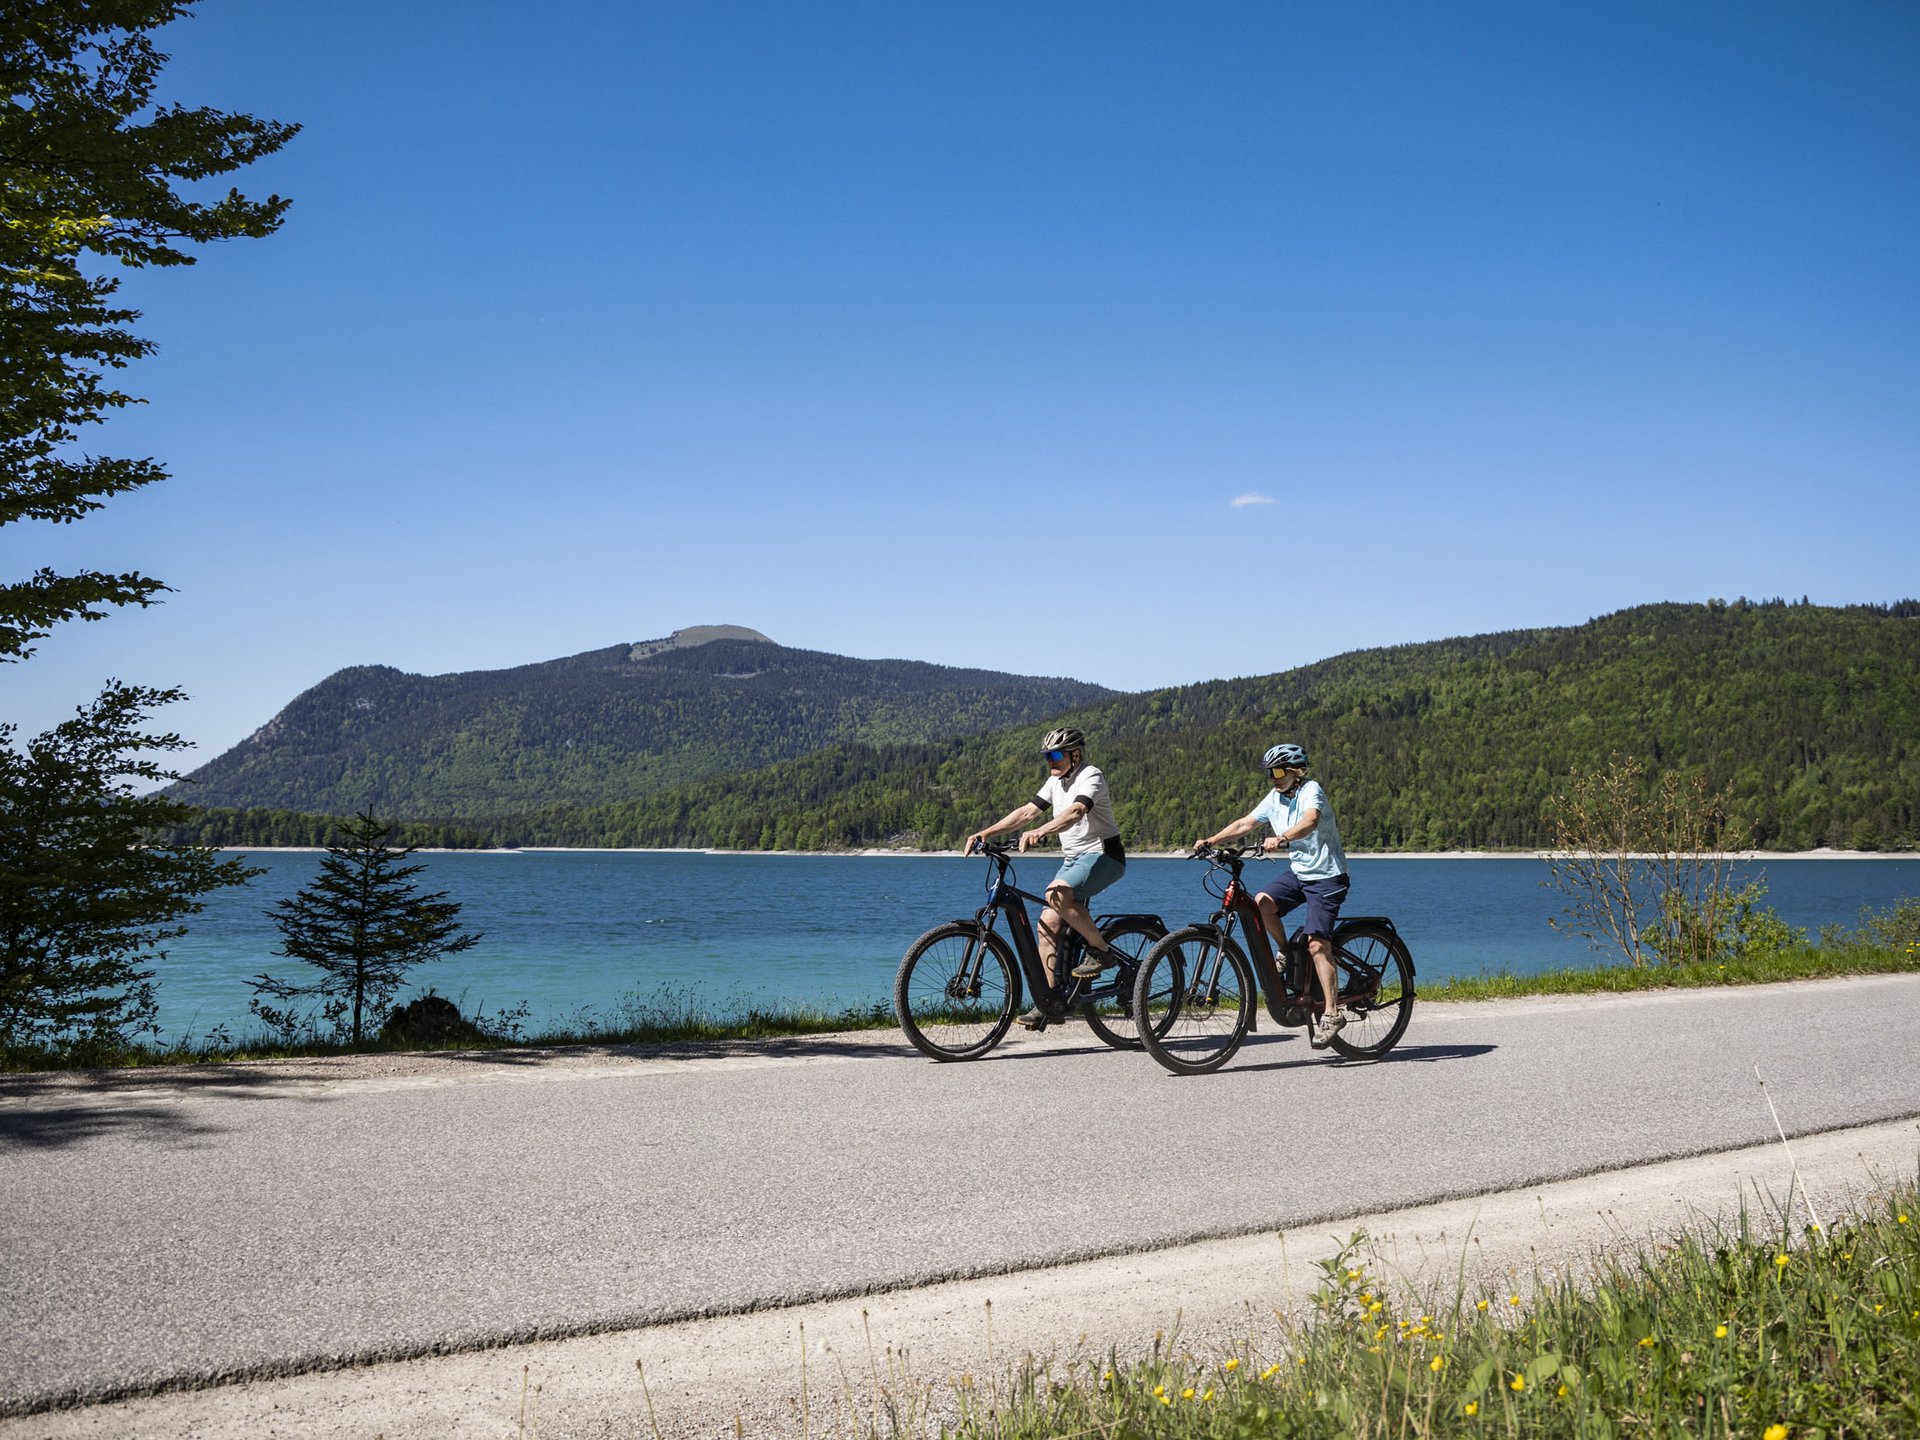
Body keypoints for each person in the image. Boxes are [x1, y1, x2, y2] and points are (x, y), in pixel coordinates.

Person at [963, 726, 1127, 1030]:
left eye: (1055, 755)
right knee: (1046, 924)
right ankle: (1049, 1003)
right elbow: (1026, 813)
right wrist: (986, 833)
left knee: (1055, 893)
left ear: (1075, 755)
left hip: (1104, 855)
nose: (1050, 761)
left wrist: (1042, 831)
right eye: (1046, 756)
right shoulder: (1055, 781)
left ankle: (1102, 952)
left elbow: (1077, 811)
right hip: (1073, 860)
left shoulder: (1092, 775)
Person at [1194, 742, 1352, 1048]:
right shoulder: (1275, 797)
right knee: (1262, 903)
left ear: (1296, 771)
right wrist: (1211, 840)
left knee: (1318, 944)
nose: (1273, 778)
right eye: (1270, 772)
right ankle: (1287, 952)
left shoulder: (1311, 790)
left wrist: (1282, 838)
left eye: (1279, 771)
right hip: (1300, 873)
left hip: (1328, 876)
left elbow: (1310, 821)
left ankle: (1332, 1013)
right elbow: (1245, 823)